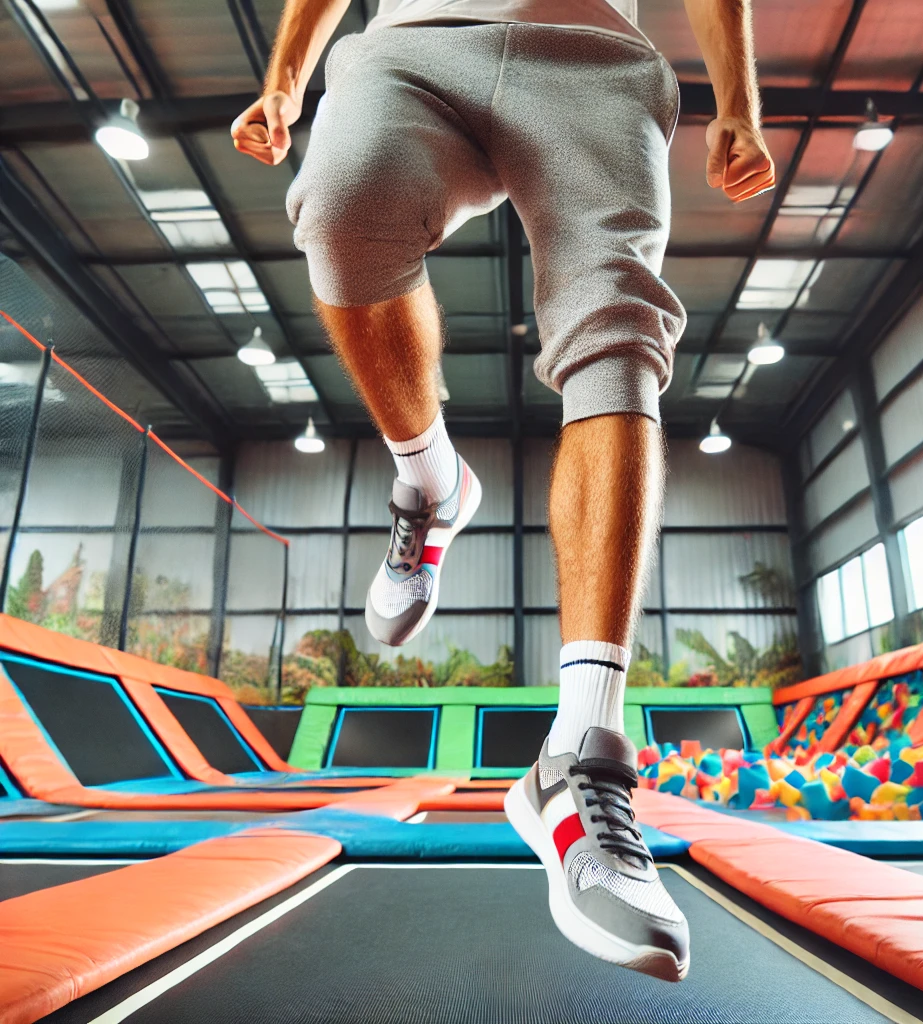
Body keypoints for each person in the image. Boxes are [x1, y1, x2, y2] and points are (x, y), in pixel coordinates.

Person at [232, 0, 774, 982]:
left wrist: (737, 98)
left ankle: (578, 759)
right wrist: (282, 80)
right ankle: (429, 483)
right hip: (411, 42)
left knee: (616, 325)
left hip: (592, 50)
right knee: (341, 203)